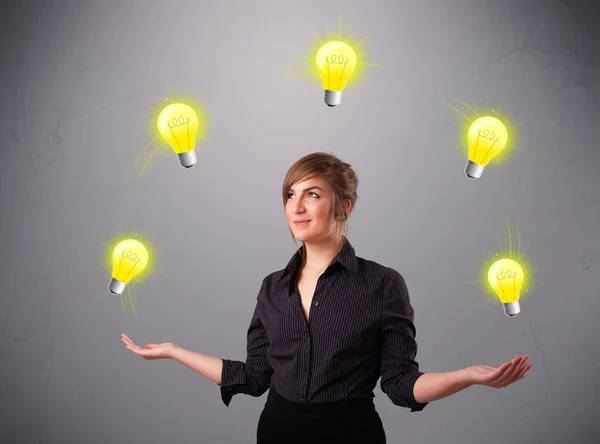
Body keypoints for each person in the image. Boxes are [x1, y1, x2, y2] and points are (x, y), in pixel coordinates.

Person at [121, 152, 533, 444]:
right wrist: (176, 351)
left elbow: (401, 384)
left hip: (350, 435)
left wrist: (467, 376)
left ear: (344, 206)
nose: (296, 207)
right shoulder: (271, 287)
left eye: (312, 194)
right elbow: (254, 377)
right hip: (277, 433)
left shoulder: (382, 284)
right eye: (290, 194)